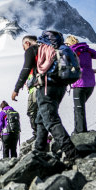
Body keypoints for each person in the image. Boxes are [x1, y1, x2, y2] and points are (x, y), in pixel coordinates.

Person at [34, 30, 78, 161]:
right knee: (41, 118)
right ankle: (39, 150)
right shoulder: (64, 48)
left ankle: (71, 152)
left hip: (47, 86)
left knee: (51, 119)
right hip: (61, 86)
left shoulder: (44, 47)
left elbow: (39, 67)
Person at [65, 35, 96, 133]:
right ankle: (78, 130)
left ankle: (80, 132)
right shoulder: (87, 50)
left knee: (79, 108)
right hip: (90, 83)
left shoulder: (71, 51)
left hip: (79, 83)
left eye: (66, 43)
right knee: (80, 107)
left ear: (69, 44)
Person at [11, 35, 39, 140]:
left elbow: (26, 69)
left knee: (32, 111)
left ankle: (38, 136)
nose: (24, 49)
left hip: (37, 86)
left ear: (27, 43)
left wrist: (16, 89)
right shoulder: (43, 49)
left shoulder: (31, 50)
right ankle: (43, 135)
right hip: (50, 85)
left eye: (23, 47)